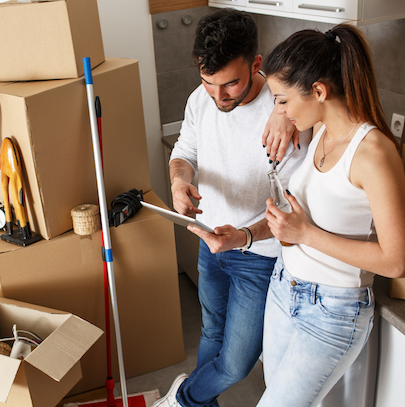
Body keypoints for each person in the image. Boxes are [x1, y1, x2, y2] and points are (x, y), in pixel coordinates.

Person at [154, 8, 309, 407]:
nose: (219, 97)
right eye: (208, 83)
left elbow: (289, 205)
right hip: (210, 244)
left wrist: (243, 236)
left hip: (257, 257)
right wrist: (178, 180)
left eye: (231, 84)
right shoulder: (200, 100)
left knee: (237, 364)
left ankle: (182, 399)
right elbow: (185, 152)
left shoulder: (287, 114)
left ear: (256, 64)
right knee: (211, 335)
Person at [257, 24, 405, 407]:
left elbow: (396, 261)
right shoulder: (319, 127)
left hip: (332, 312)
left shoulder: (373, 155)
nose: (281, 111)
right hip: (283, 289)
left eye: (282, 101)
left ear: (320, 91)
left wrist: (305, 234)